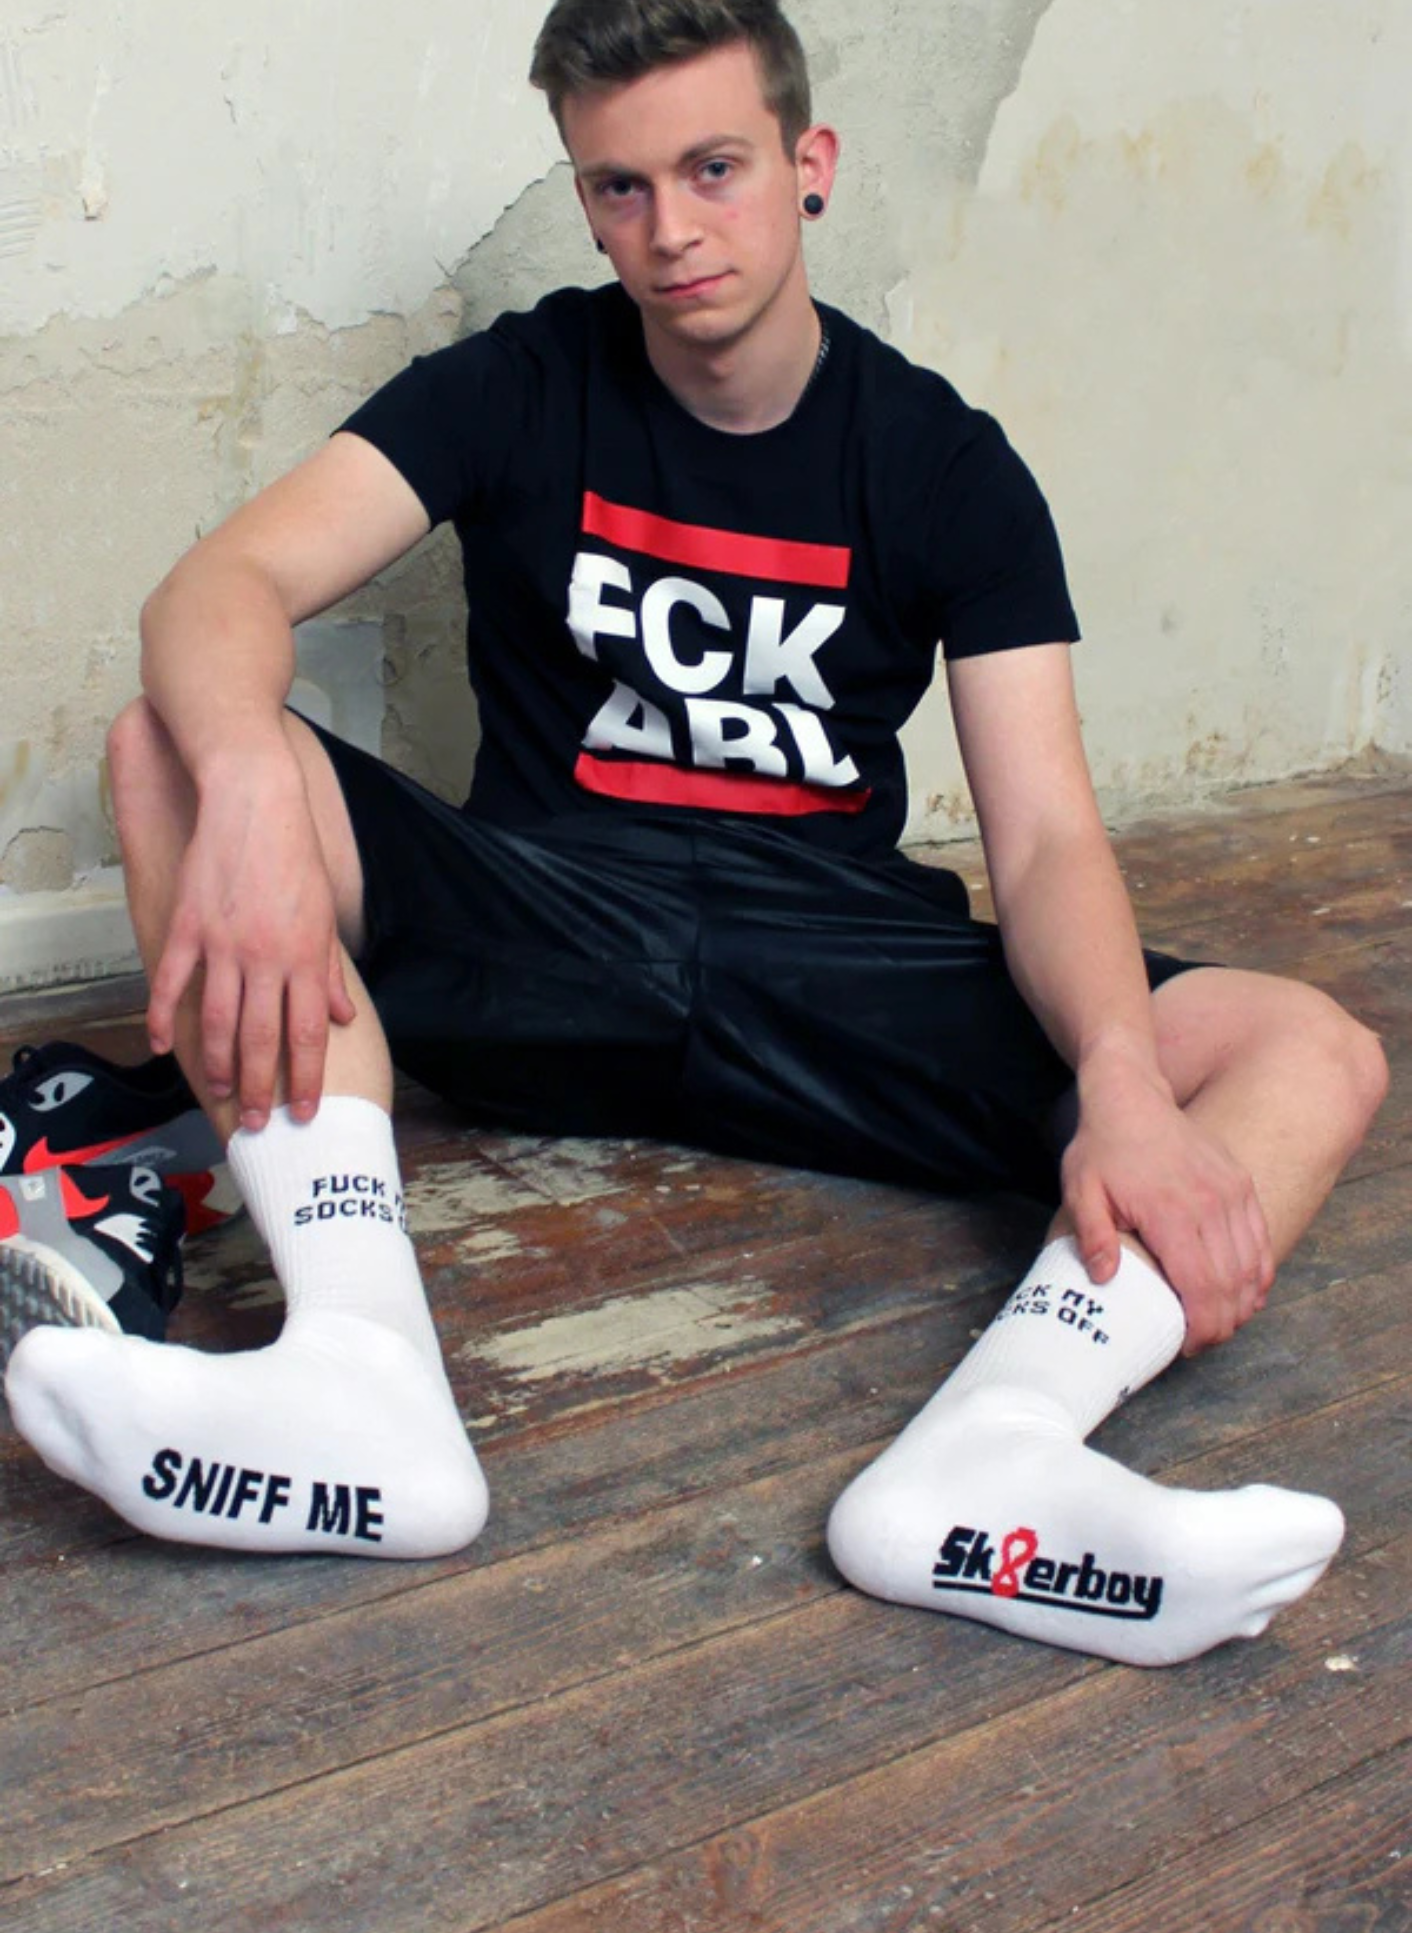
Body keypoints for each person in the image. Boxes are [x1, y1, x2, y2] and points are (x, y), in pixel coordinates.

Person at [3, 0, 1387, 1663]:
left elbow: (1044, 845)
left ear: (810, 166)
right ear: (588, 201)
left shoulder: (945, 464)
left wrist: (1121, 1083)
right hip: (552, 934)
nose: (670, 229)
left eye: (714, 169)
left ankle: (993, 1460)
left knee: (1309, 1050)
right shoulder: (519, 382)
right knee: (171, 744)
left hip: (834, 962)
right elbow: (220, 586)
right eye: (621, 185)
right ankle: (361, 1381)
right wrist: (242, 782)